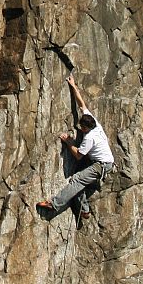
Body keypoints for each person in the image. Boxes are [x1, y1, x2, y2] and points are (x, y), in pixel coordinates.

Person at [36, 75, 115, 220]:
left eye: (81, 127)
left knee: (77, 180)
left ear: (85, 128)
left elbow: (79, 155)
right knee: (79, 183)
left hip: (101, 165)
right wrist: (73, 86)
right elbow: (82, 104)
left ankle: (54, 204)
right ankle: (84, 210)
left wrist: (69, 143)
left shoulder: (90, 137)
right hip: (104, 163)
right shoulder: (94, 123)